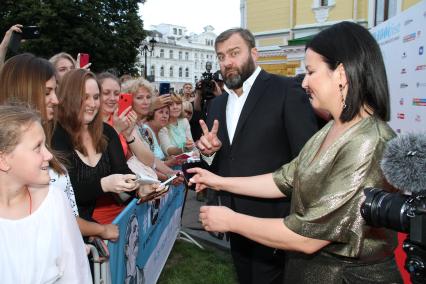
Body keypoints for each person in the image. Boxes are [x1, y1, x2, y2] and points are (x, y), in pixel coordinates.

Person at [190, 22, 402, 283]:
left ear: (342, 75)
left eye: (311, 71)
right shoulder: (331, 130)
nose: (304, 83)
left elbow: (309, 236)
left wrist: (232, 221)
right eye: (221, 56)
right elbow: (284, 178)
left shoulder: (368, 143)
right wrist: (218, 181)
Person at [195, 28, 318, 283]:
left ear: (254, 53)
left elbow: (307, 160)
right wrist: (209, 153)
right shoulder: (216, 104)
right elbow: (221, 163)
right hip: (233, 218)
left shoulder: (285, 90)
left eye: (234, 53)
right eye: (220, 56)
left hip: (277, 221)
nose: (226, 61)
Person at [0, 53, 119, 240]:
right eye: (48, 92)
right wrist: (100, 230)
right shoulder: (21, 148)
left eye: (55, 91)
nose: (56, 100)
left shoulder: (47, 136)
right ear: (25, 91)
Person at [0, 105, 92, 283]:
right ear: (3, 160)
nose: (49, 155)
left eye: (45, 145)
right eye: (37, 147)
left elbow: (77, 274)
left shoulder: (54, 202)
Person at [51, 69, 140, 225]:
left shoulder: (107, 132)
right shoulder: (55, 135)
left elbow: (122, 171)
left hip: (88, 226)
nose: (92, 104)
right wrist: (105, 184)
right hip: (61, 226)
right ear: (68, 97)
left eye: (96, 97)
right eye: (84, 97)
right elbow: (68, 192)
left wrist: (139, 188)